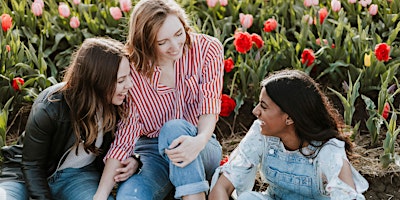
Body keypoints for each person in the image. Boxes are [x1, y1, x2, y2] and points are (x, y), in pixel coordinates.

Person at [94, 0, 224, 199]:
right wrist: (100, 195)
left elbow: (210, 106)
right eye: (162, 42)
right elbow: (125, 137)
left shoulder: (207, 49)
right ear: (145, 43)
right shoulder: (134, 71)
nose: (175, 47)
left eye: (179, 34)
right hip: (152, 152)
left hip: (200, 144)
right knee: (130, 196)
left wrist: (199, 140)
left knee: (174, 129)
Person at [0, 37, 137, 199]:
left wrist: (135, 160)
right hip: (24, 175)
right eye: (121, 80)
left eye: (129, 77)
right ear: (98, 81)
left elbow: (136, 136)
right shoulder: (51, 106)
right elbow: (32, 166)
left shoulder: (121, 103)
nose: (130, 85)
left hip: (78, 177)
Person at [209, 69, 369, 200]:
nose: (255, 111)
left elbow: (348, 197)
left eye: (264, 107)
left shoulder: (328, 150)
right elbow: (222, 187)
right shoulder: (260, 133)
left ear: (290, 117)